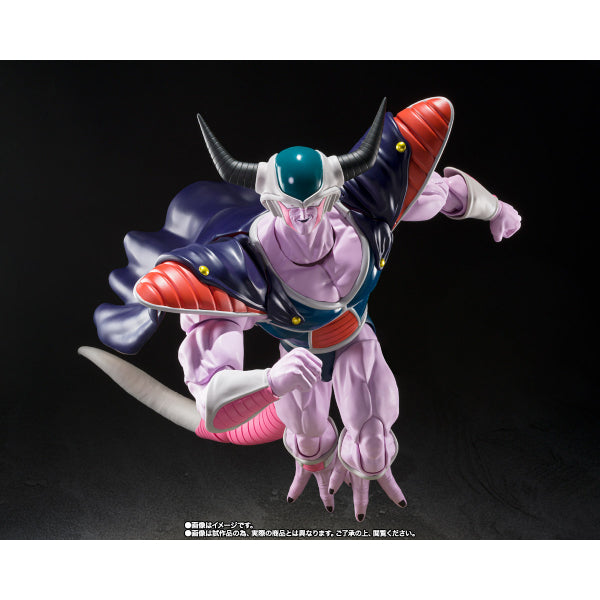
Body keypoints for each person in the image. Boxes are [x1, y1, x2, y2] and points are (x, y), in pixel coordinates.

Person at [85, 97, 521, 521]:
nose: (304, 219)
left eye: (313, 205)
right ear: (272, 205)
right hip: (299, 360)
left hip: (356, 337)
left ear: (331, 196)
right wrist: (271, 380)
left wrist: (496, 209)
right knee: (310, 441)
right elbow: (211, 399)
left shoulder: (367, 214)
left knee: (371, 444)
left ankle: (355, 462)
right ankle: (312, 459)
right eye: (291, 208)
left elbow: (444, 192)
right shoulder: (241, 268)